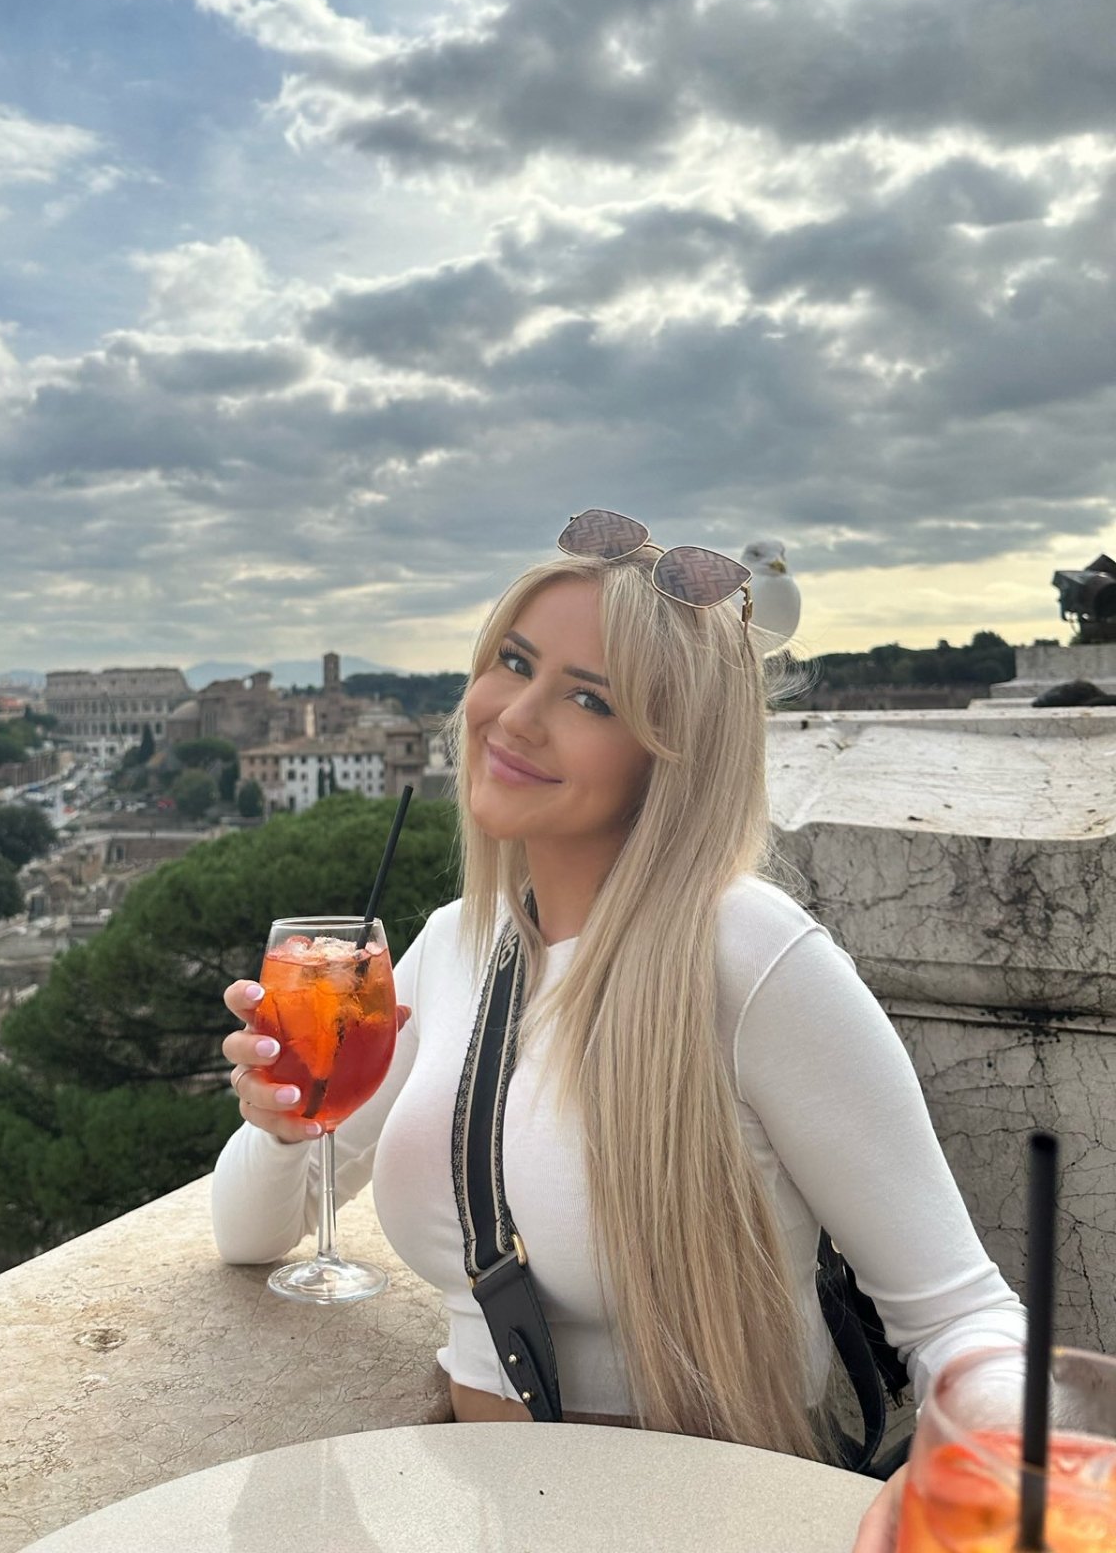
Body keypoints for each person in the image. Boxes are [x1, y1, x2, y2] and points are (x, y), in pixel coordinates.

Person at [210, 513, 1026, 1551]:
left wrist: (1011, 1455)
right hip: (490, 1520)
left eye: (589, 698)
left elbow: (959, 1315)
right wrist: (284, 1126)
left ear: (668, 755)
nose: (516, 717)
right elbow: (250, 1237)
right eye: (514, 663)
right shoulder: (452, 945)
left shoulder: (752, 956)